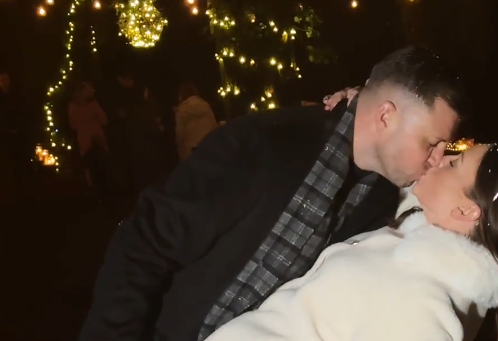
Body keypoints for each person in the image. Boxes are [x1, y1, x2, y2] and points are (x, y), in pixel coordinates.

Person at [79, 46, 465, 341]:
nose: (437, 159)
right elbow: (143, 245)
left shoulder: (382, 197)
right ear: (385, 116)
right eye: (432, 142)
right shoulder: (263, 144)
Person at [205, 144, 498, 341]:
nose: (439, 158)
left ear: (467, 209)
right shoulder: (415, 230)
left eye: (454, 163)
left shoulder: (425, 304)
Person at [68, 82, 108, 188]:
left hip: (83, 139)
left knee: (88, 167)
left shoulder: (72, 106)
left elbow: (73, 125)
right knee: (101, 165)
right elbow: (104, 120)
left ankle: (91, 187)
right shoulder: (93, 105)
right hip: (97, 138)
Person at [175, 83, 218, 160]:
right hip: (208, 146)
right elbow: (214, 126)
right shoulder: (205, 106)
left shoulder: (182, 111)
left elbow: (180, 136)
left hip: (191, 151)